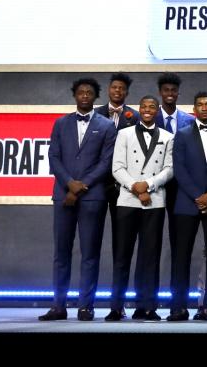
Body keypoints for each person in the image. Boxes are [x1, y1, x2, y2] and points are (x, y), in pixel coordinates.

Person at [38, 78, 117, 321]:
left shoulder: (106, 125)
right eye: (81, 92)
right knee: (61, 253)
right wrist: (69, 184)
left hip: (92, 196)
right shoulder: (61, 123)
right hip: (63, 195)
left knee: (90, 254)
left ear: (95, 97)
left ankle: (85, 306)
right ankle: (58, 306)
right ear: (75, 95)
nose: (85, 96)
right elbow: (54, 156)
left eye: (89, 93)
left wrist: (82, 186)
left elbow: (106, 162)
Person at [106, 95, 174, 322]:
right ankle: (116, 307)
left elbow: (169, 169)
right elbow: (117, 167)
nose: (147, 110)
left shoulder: (167, 136)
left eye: (151, 107)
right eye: (143, 107)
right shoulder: (124, 134)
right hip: (127, 199)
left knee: (150, 257)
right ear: (139, 110)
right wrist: (136, 187)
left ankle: (147, 306)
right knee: (122, 255)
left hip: (154, 202)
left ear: (157, 110)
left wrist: (149, 185)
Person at [167, 92, 207, 322]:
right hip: (187, 202)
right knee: (181, 256)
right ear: (194, 109)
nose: (204, 108)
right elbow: (180, 169)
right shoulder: (182, 135)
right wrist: (199, 196)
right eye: (200, 105)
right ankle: (178, 308)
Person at [94, 73, 139, 270]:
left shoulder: (135, 117)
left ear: (127, 92)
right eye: (114, 87)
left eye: (121, 88)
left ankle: (117, 294)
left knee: (121, 240)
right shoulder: (95, 114)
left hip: (122, 187)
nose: (117, 91)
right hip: (96, 185)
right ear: (109, 90)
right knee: (92, 237)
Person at [157, 73, 194, 258]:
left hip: (180, 187)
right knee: (152, 237)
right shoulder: (148, 117)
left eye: (173, 90)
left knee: (178, 238)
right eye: (166, 90)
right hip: (155, 185)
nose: (170, 93)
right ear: (160, 93)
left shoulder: (189, 121)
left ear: (178, 93)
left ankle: (177, 286)